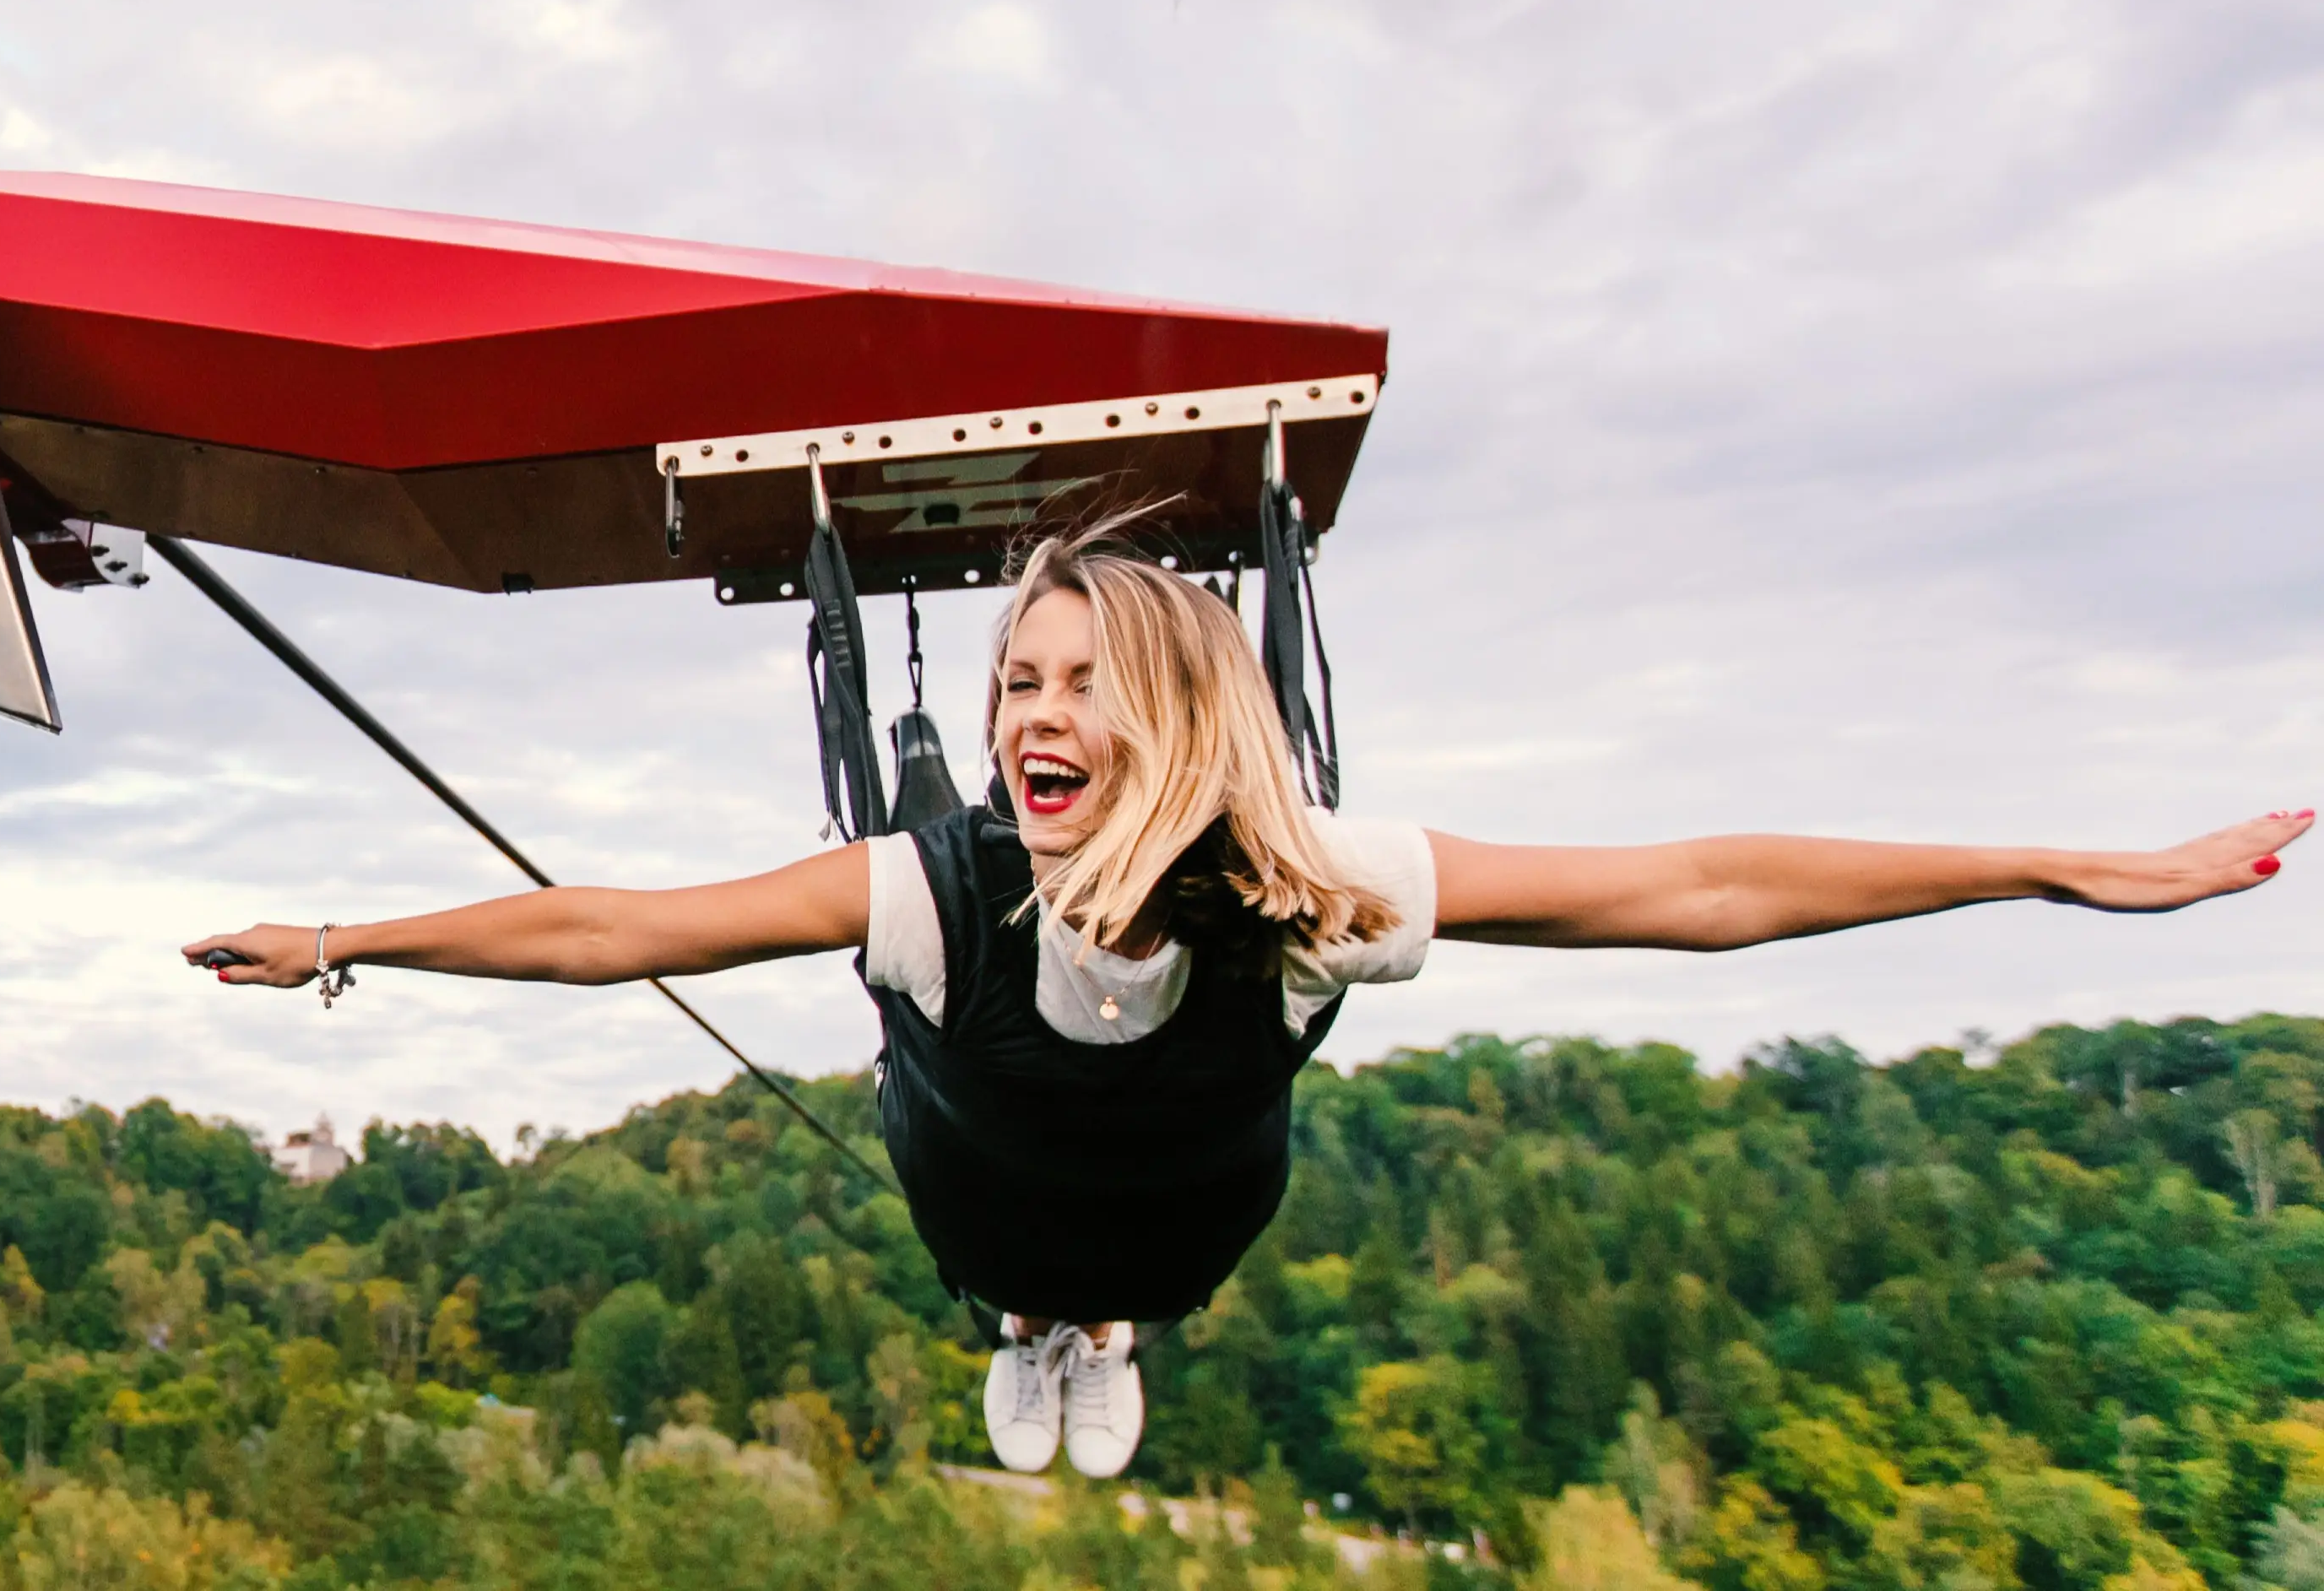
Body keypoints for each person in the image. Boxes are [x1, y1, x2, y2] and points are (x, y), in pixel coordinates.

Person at [181, 525, 2303, 1480]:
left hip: (1192, 1213)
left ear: (1185, 714)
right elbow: (616, 929)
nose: (1036, 713)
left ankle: (1101, 1335)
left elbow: (1694, 887)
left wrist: (2054, 864)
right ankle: (1041, 1328)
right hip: (979, 1191)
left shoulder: (1313, 898)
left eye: (1086, 683)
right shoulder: (931, 890)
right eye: (1019, 680)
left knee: (1133, 1273)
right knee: (1018, 1259)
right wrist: (354, 938)